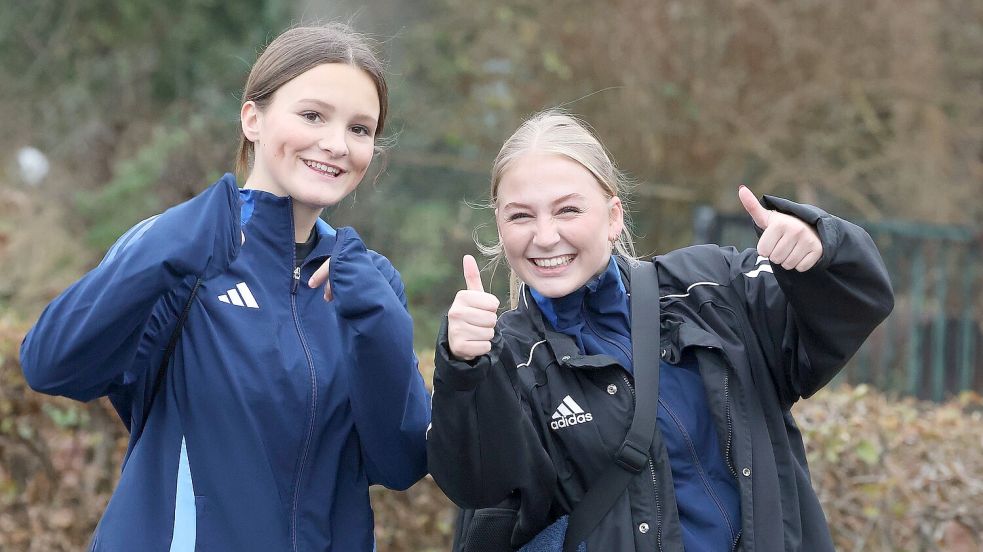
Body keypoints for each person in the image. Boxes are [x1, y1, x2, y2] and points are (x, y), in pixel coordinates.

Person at [19, 23, 430, 551]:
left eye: (360, 128)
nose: (335, 144)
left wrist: (381, 326)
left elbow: (401, 463)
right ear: (252, 118)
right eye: (312, 115)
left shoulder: (369, 282)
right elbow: (51, 364)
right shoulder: (178, 247)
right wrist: (176, 237)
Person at [427, 109, 894, 551]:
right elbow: (477, 485)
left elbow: (855, 304)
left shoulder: (714, 287)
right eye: (521, 215)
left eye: (568, 210)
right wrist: (462, 369)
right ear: (500, 227)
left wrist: (820, 250)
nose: (545, 235)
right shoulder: (505, 358)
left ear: (613, 216)